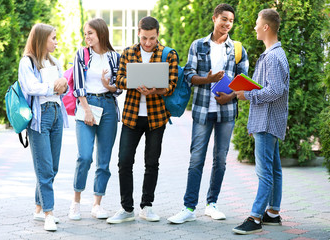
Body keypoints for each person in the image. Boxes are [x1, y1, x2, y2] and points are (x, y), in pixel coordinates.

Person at [168, 3, 249, 224]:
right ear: (214, 19)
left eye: (231, 20)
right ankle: (188, 207)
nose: (227, 24)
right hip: (203, 110)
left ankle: (212, 204)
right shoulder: (198, 45)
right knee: (196, 159)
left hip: (227, 111)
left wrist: (230, 96)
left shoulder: (238, 49)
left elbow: (243, 81)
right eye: (224, 19)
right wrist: (208, 80)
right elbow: (189, 75)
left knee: (220, 160)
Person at [106, 16, 178, 224]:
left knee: (152, 163)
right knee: (124, 162)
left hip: (157, 117)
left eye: (152, 38)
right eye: (145, 38)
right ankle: (126, 209)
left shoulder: (169, 54)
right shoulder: (128, 53)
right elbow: (119, 79)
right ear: (139, 33)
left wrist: (156, 89)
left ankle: (147, 206)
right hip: (131, 115)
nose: (148, 43)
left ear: (158, 34)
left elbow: (172, 84)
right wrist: (134, 83)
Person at [232, 9, 289, 234]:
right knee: (274, 169)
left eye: (257, 23)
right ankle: (272, 213)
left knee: (264, 172)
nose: (255, 27)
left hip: (266, 123)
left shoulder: (273, 57)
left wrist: (248, 95)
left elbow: (275, 90)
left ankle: (255, 218)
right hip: (267, 121)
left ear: (266, 27)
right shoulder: (274, 54)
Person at [68, 18, 122, 220]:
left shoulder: (115, 57)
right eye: (85, 33)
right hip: (86, 105)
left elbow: (119, 88)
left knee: (104, 160)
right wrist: (87, 110)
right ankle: (76, 202)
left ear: (100, 33)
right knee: (84, 157)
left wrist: (107, 85)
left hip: (108, 106)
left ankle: (97, 204)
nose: (87, 37)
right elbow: (78, 86)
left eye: (90, 33)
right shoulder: (81, 54)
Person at [18, 23, 69, 231]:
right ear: (41, 39)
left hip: (56, 114)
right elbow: (30, 87)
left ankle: (39, 208)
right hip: (40, 117)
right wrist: (53, 86)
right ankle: (49, 212)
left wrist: (63, 84)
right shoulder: (27, 62)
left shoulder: (55, 61)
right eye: (53, 38)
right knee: (45, 168)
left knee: (52, 167)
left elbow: (63, 87)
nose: (56, 42)